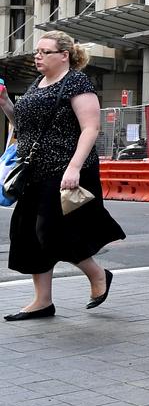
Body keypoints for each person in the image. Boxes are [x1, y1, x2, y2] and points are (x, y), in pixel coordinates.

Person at [3, 31, 124, 321]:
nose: (38, 56)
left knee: (53, 233)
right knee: (28, 235)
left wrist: (73, 168)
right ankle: (42, 301)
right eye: (37, 51)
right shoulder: (37, 84)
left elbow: (91, 128)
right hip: (34, 171)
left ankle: (98, 275)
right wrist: (6, 102)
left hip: (66, 172)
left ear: (64, 55)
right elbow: (21, 124)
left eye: (45, 51)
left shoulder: (77, 83)